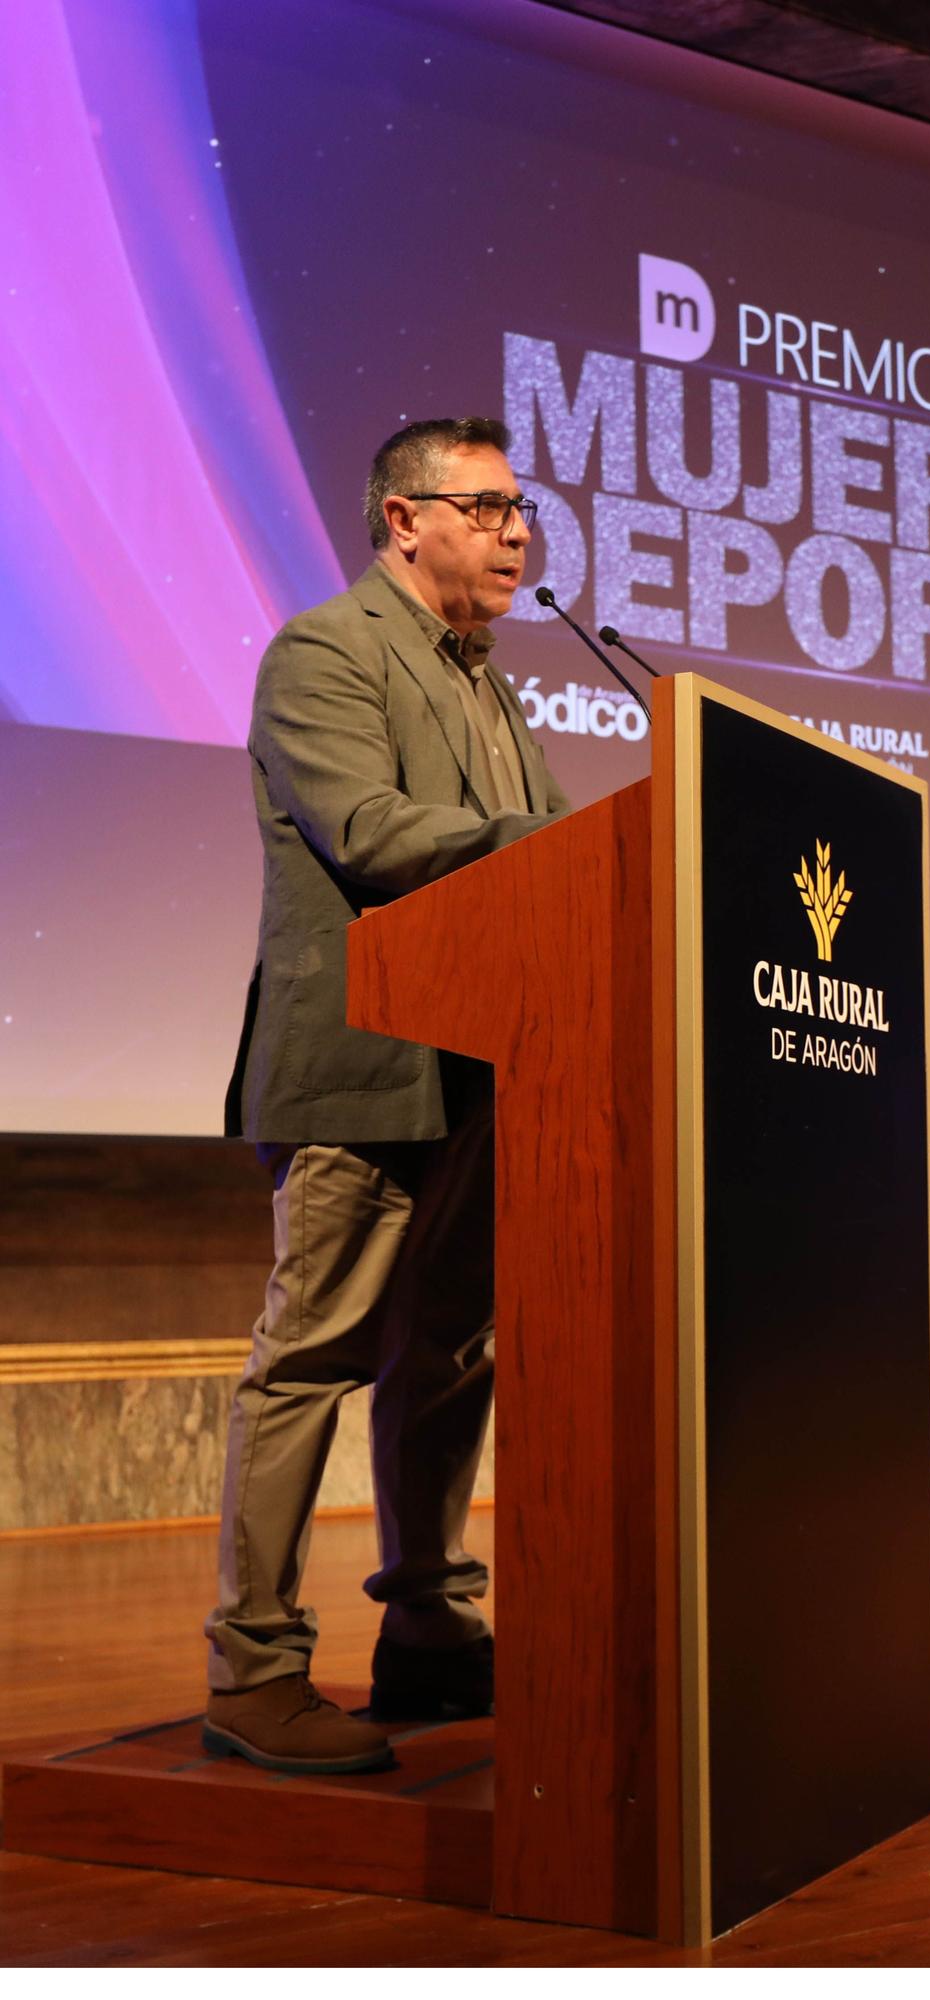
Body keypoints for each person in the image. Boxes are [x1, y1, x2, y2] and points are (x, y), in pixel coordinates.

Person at [203, 417, 568, 1774]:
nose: (516, 532)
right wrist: (565, 841)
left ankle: (426, 1626)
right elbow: (365, 832)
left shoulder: (488, 681)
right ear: (402, 521)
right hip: (363, 1058)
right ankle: (252, 1672)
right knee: (316, 1352)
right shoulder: (325, 652)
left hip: (479, 1063)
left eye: (520, 511)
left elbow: (540, 874)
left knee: (449, 1349)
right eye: (486, 509)